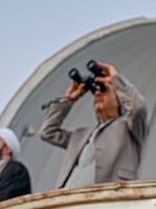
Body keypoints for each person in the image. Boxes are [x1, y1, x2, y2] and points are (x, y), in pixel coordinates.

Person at [40, 61, 147, 189]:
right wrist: (69, 100)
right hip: (69, 201)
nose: (97, 93)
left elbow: (138, 108)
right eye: (94, 91)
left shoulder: (129, 127)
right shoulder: (80, 135)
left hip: (108, 199)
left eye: (104, 90)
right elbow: (47, 132)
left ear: (120, 101)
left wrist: (115, 79)